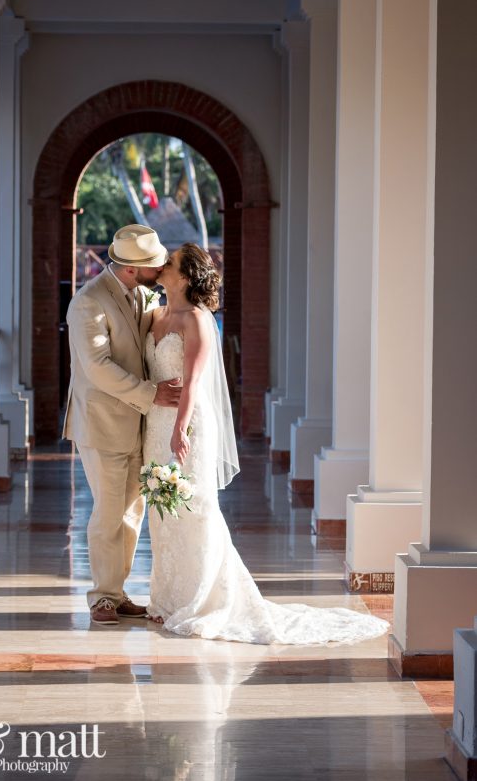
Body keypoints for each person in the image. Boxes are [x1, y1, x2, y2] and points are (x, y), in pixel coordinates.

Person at [144, 243, 390, 645]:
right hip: (155, 424)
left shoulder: (197, 320)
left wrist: (180, 429)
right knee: (162, 511)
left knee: (196, 508)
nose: (162, 266)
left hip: (187, 426)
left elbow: (193, 382)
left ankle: (204, 600)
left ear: (185, 277)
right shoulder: (155, 315)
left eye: (169, 263)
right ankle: (167, 599)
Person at [63, 224, 182, 625]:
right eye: (153, 265)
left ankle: (116, 592)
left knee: (132, 511)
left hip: (138, 425)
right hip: (102, 423)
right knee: (109, 512)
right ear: (132, 269)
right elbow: (97, 368)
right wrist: (151, 394)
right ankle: (101, 597)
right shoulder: (88, 303)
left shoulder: (143, 294)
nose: (160, 268)